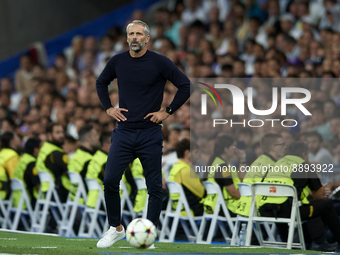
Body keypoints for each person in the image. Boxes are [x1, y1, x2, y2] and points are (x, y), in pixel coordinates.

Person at [95, 20, 192, 248]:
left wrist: (167, 112)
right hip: (124, 132)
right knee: (109, 180)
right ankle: (116, 228)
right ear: (127, 38)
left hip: (150, 133)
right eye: (132, 34)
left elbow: (185, 85)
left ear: (147, 38)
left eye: (139, 34)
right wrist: (108, 107)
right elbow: (101, 82)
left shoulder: (160, 62)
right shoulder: (117, 61)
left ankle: (149, 233)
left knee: (154, 187)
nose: (135, 37)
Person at [259, 141, 340, 252]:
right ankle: (324, 243)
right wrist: (320, 189)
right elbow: (320, 196)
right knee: (326, 205)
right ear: (304, 154)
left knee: (298, 202)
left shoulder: (274, 165)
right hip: (289, 211)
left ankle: (289, 241)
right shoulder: (304, 166)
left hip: (264, 210)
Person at [236, 133, 285, 217]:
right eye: (282, 144)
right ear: (273, 147)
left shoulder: (257, 162)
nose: (285, 147)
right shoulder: (273, 166)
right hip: (258, 209)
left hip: (243, 207)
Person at [203, 135, 246, 216]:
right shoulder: (222, 167)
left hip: (214, 205)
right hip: (225, 207)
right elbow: (233, 192)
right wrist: (245, 198)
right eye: (233, 146)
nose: (235, 149)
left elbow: (239, 178)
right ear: (226, 149)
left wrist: (242, 160)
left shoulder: (215, 161)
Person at [36, 123, 71, 203]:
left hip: (47, 191)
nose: (62, 135)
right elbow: (71, 169)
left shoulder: (45, 148)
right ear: (49, 135)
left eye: (62, 132)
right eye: (58, 133)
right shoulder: (55, 153)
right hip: (59, 192)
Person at [169, 139, 205, 216]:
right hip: (190, 211)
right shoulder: (186, 171)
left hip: (178, 209)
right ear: (187, 153)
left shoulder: (175, 167)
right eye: (196, 152)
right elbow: (202, 193)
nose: (198, 156)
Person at [12, 137, 41, 209]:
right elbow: (37, 185)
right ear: (35, 149)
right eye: (40, 147)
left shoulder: (23, 159)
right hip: (28, 201)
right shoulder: (32, 163)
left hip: (17, 198)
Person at [0, 132, 21, 199]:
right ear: (12, 141)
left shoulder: (2, 153)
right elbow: (14, 177)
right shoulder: (12, 156)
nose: (19, 139)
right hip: (4, 192)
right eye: (17, 137)